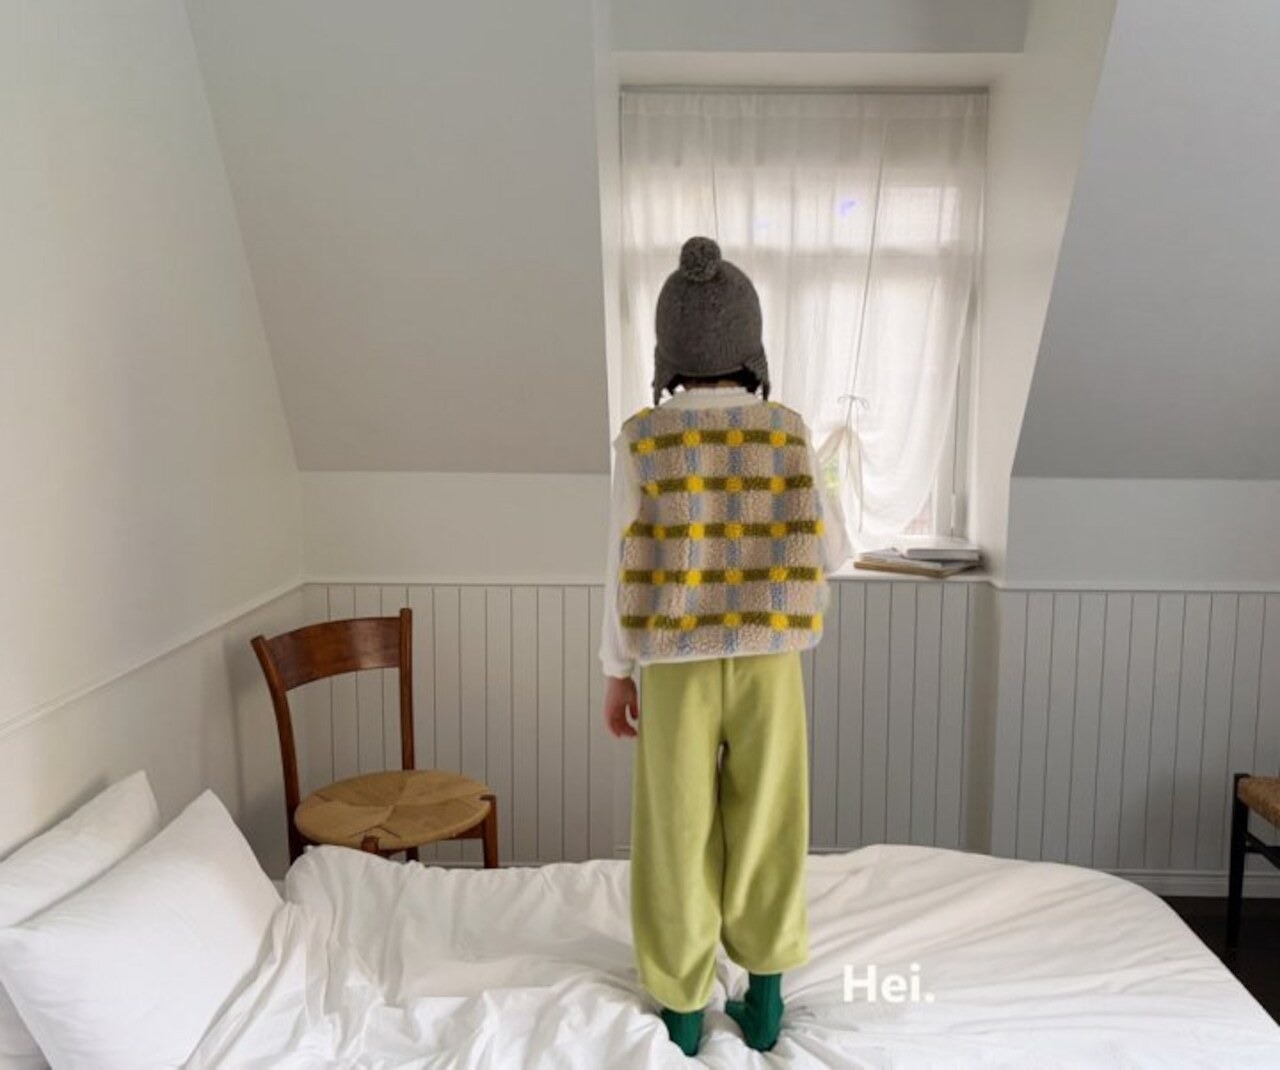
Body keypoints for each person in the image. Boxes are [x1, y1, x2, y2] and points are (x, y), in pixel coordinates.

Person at [599, 236, 851, 1057]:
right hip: (771, 657)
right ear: (751, 343)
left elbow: (620, 565)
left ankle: (681, 1009)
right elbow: (832, 548)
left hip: (673, 664)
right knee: (771, 817)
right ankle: (765, 998)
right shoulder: (787, 433)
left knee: (675, 830)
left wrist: (615, 672)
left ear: (668, 351)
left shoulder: (642, 438)